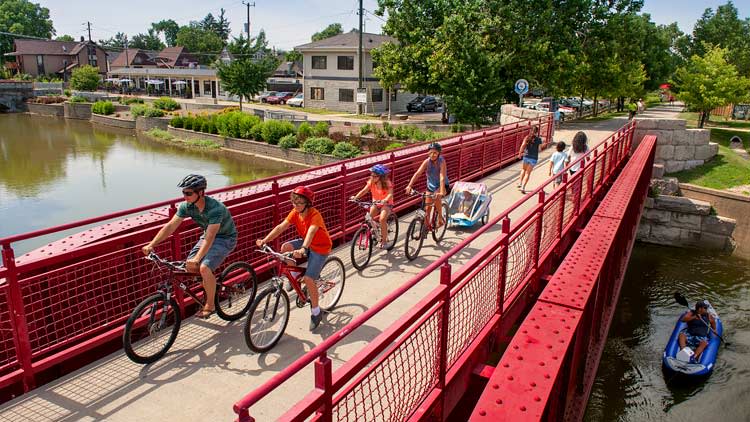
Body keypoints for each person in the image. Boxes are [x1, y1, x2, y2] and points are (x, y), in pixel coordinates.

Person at [142, 174, 237, 319]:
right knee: (190, 267)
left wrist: (198, 258)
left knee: (204, 268)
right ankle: (209, 283)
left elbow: (211, 237)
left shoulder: (215, 209)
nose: (185, 196)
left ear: (201, 193)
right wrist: (152, 244)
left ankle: (210, 305)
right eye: (183, 193)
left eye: (188, 193)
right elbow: (171, 226)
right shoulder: (187, 206)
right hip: (208, 236)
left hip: (225, 238)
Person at [256, 186, 332, 331]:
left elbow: (311, 232)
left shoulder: (315, 215)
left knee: (309, 280)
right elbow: (280, 227)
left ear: (308, 203)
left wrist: (303, 249)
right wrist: (264, 241)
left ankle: (316, 312)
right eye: (294, 202)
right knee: (285, 248)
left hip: (320, 248)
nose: (295, 206)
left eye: (299, 203)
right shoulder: (295, 212)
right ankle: (295, 276)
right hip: (307, 244)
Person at [406, 142, 450, 229]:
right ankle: (426, 227)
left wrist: (441, 191)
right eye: (430, 152)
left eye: (435, 153)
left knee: (436, 197)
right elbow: (418, 173)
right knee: (427, 208)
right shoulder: (426, 162)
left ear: (439, 154)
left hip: (442, 185)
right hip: (431, 186)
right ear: (428, 153)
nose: (432, 155)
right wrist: (409, 185)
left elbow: (442, 177)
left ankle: (440, 218)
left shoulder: (442, 161)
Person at [351, 164, 394, 248]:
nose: (372, 177)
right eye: (371, 175)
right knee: (369, 218)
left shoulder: (387, 183)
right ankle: (375, 231)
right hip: (375, 203)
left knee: (382, 219)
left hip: (386, 204)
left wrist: (385, 200)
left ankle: (384, 241)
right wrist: (355, 197)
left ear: (381, 177)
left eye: (375, 176)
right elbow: (364, 190)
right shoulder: (371, 182)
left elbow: (390, 194)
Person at [516, 126, 543, 194]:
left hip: (526, 156)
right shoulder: (539, 139)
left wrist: (519, 153)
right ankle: (523, 187)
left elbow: (523, 145)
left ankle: (520, 183)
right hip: (533, 158)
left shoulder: (527, 137)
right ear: (537, 132)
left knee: (523, 170)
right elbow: (540, 149)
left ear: (531, 131)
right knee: (528, 173)